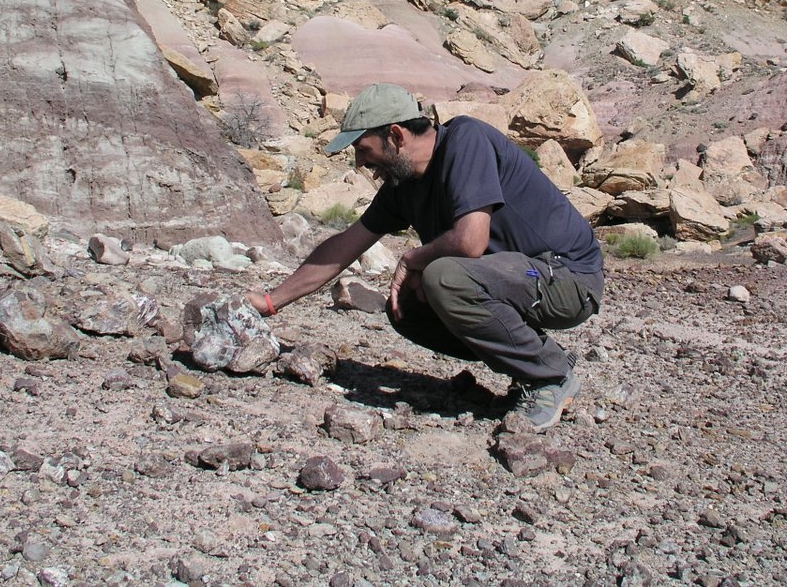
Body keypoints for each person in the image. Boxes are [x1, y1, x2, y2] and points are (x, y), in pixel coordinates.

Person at [244, 83, 604, 431]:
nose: (360, 162)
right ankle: (535, 360)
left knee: (443, 278)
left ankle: (551, 376)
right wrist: (270, 302)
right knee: (406, 307)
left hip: (568, 277)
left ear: (396, 135)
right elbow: (345, 245)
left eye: (364, 149)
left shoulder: (466, 141)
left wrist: (413, 258)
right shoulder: (402, 186)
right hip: (517, 281)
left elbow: (470, 241)